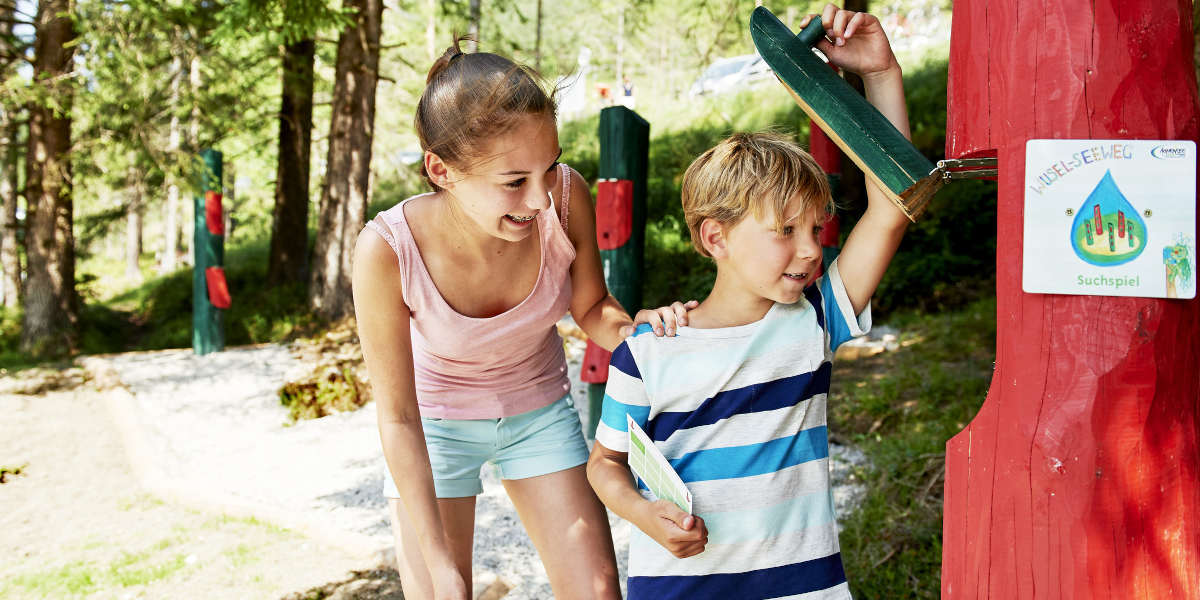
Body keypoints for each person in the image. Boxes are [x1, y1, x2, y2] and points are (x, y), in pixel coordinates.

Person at [586, 5, 910, 598]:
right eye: (785, 230)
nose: (812, 250)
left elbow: (892, 203)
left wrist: (881, 72)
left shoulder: (815, 320)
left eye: (817, 229)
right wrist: (638, 512)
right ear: (717, 238)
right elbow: (604, 465)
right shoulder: (649, 352)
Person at [352, 38, 693, 600]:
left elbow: (591, 308)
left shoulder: (564, 197)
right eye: (514, 181)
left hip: (538, 412)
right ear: (441, 170)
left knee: (599, 592)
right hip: (434, 428)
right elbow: (398, 417)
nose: (539, 199)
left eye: (549, 166)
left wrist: (643, 334)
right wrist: (443, 569)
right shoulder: (387, 250)